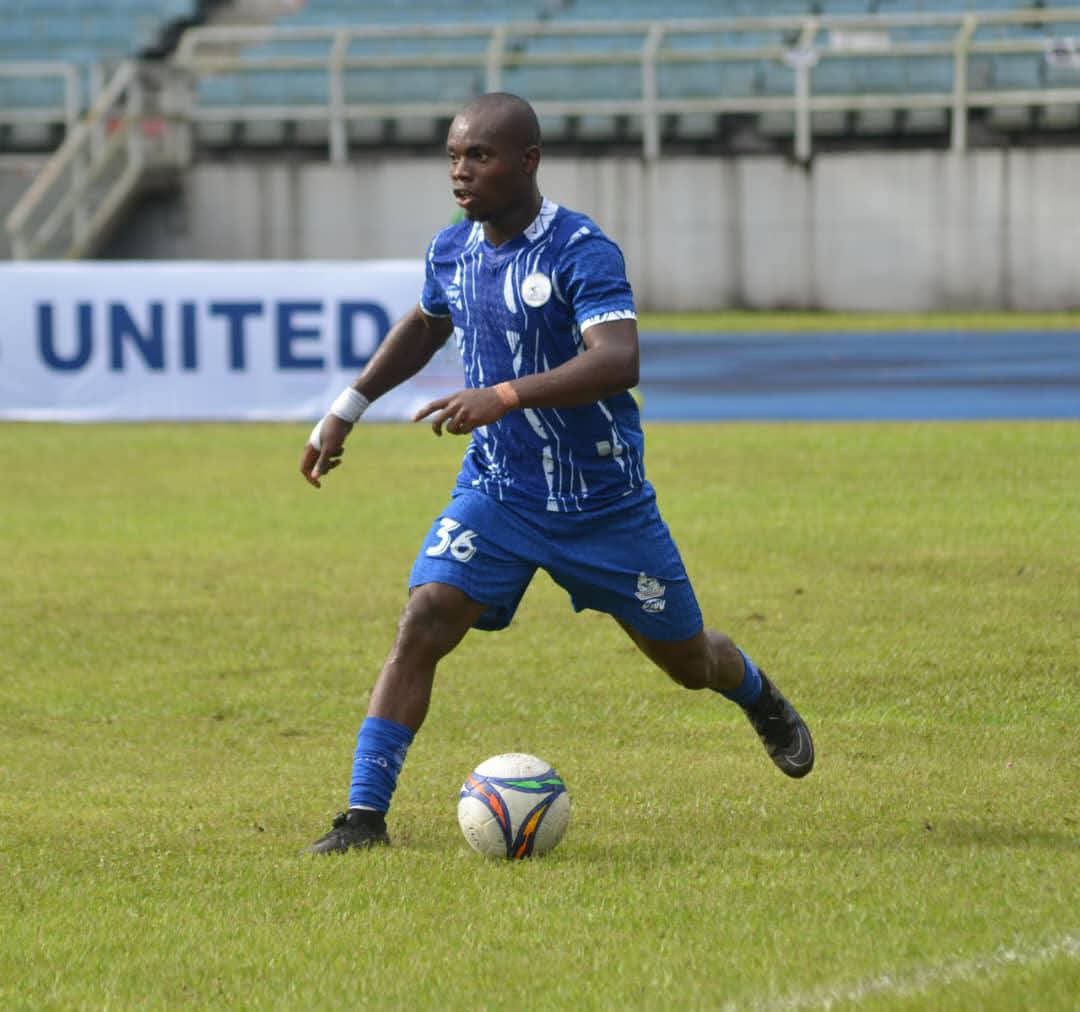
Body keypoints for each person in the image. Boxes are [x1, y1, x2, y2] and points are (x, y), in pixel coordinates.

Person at [300, 92, 814, 854]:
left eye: (480, 156)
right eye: (453, 156)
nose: (460, 172)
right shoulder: (453, 249)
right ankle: (363, 819)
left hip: (603, 504)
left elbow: (618, 359)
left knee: (688, 662)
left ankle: (755, 691)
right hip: (499, 491)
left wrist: (502, 395)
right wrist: (348, 406)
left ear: (528, 161)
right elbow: (428, 322)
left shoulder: (581, 249)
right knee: (424, 618)